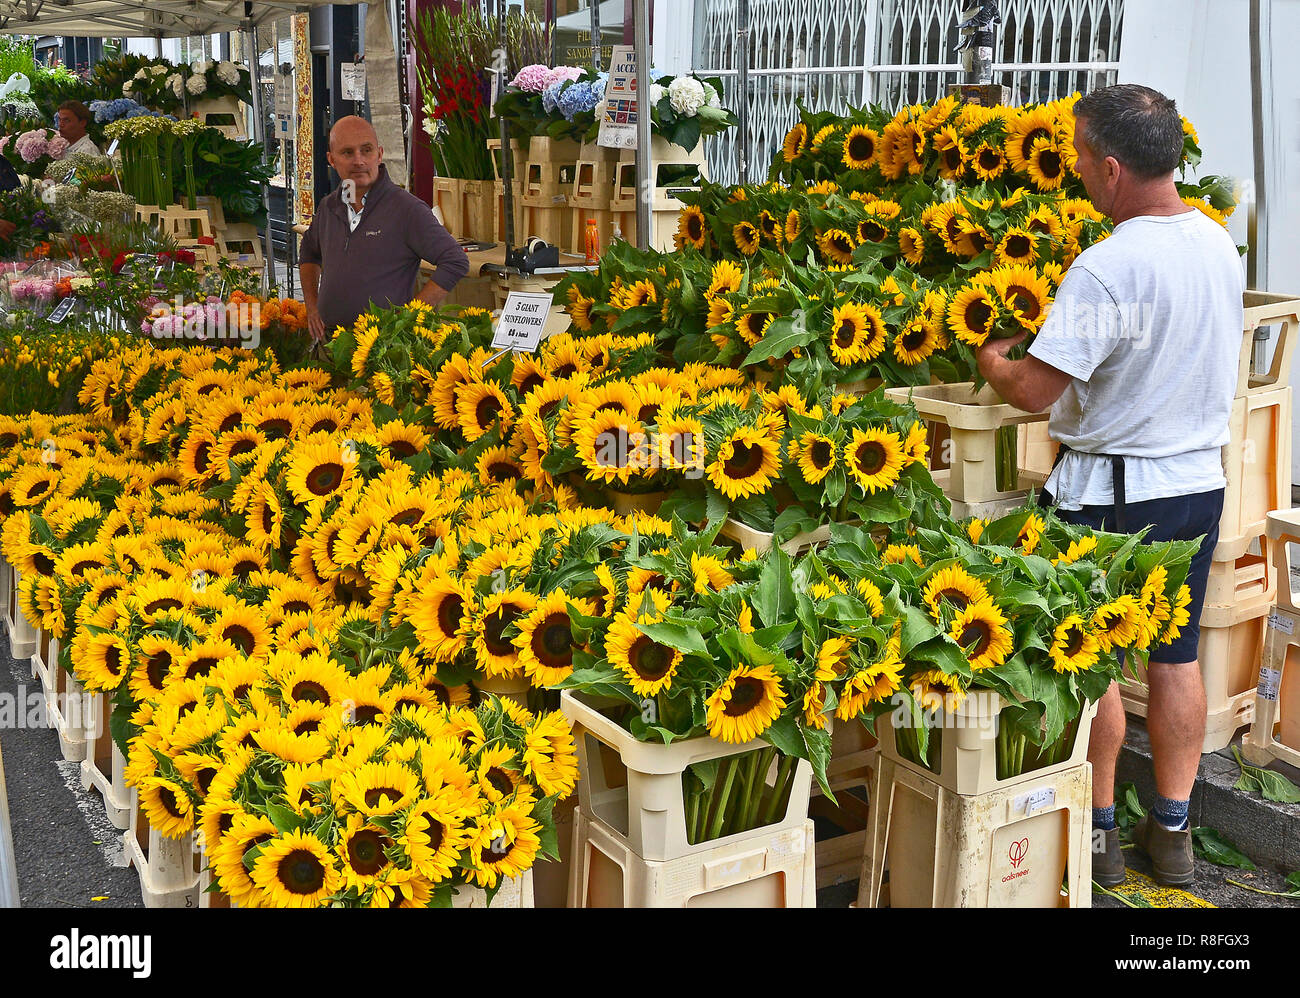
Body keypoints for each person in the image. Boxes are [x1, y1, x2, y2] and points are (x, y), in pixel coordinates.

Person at [977, 84, 1244, 887]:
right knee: (1175, 656)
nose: (1080, 170)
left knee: (1087, 662)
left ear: (1116, 166)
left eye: (1085, 156)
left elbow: (1035, 392)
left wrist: (993, 359)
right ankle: (1172, 834)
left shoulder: (1107, 267)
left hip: (1110, 494)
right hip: (1197, 482)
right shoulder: (1216, 244)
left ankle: (1099, 839)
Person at [299, 115, 469, 342]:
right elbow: (309, 251)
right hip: (330, 345)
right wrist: (312, 306)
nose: (359, 160)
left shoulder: (407, 209)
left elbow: (455, 261)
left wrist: (410, 317)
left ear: (379, 154)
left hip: (383, 355)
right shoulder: (329, 207)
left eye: (366, 150)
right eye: (347, 153)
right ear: (332, 159)